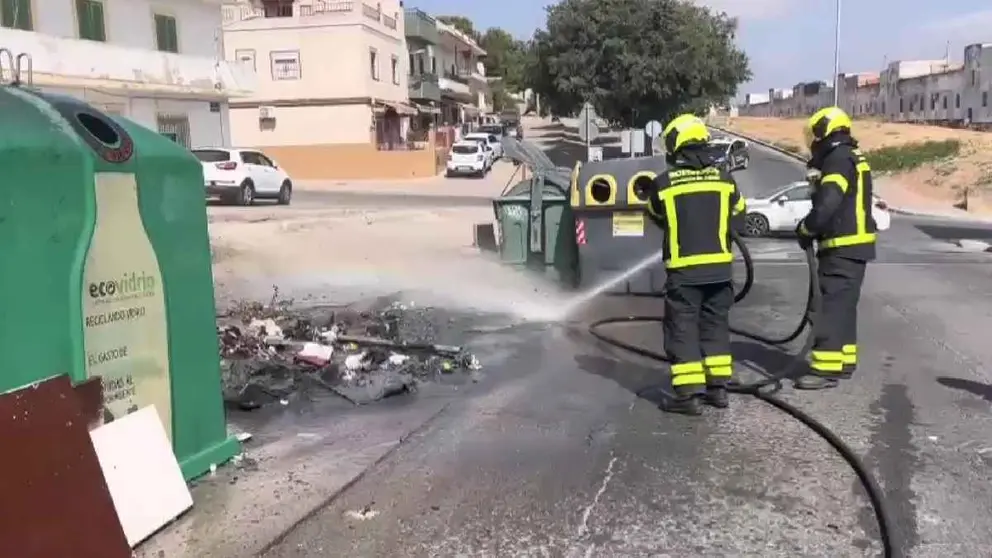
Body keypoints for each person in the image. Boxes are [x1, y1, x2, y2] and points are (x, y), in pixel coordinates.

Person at [647, 114, 746, 415]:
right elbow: (740, 216)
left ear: (676, 144)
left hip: (685, 272)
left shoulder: (664, 184)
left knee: (683, 329)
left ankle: (688, 395)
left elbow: (655, 215)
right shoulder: (725, 180)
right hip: (720, 271)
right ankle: (718, 390)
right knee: (715, 326)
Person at [794, 106, 876, 390]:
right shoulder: (852, 155)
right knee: (844, 307)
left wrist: (807, 228)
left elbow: (829, 201)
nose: (813, 141)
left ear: (824, 131)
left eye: (814, 134)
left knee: (828, 306)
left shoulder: (838, 159)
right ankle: (844, 362)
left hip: (841, 246)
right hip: (855, 247)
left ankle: (825, 369)